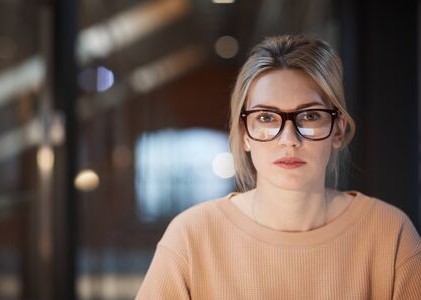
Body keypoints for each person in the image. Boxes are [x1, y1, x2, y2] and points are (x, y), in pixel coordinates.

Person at [135, 34, 421, 299]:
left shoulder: (388, 233)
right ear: (244, 133)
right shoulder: (192, 236)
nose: (289, 140)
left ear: (337, 130)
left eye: (309, 116)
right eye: (266, 118)